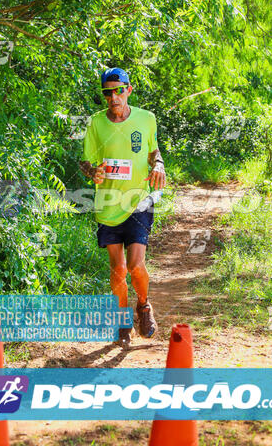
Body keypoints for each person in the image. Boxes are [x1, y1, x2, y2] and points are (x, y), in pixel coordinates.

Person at [79, 67, 166, 346]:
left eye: (119, 90)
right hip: (108, 204)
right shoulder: (96, 124)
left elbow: (154, 151)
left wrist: (159, 164)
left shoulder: (146, 119)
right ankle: (121, 321)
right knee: (117, 270)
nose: (114, 97)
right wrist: (92, 172)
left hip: (139, 200)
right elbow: (85, 161)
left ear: (129, 89)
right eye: (108, 92)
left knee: (136, 265)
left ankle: (143, 305)